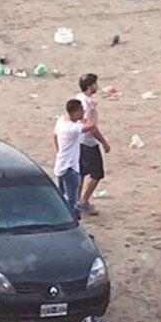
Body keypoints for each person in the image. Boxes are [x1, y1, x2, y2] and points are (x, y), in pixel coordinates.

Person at [75, 74, 111, 216]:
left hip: (78, 140)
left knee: (81, 172)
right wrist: (104, 142)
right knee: (97, 173)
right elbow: (91, 126)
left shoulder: (78, 98)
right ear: (90, 86)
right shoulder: (88, 104)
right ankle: (83, 201)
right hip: (87, 142)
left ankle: (76, 200)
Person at [53, 99, 97, 215]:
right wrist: (92, 109)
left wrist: (60, 150)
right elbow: (91, 126)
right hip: (70, 167)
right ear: (74, 112)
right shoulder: (71, 128)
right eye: (81, 110)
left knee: (61, 197)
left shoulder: (61, 121)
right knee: (71, 199)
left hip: (61, 164)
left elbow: (55, 135)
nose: (83, 112)